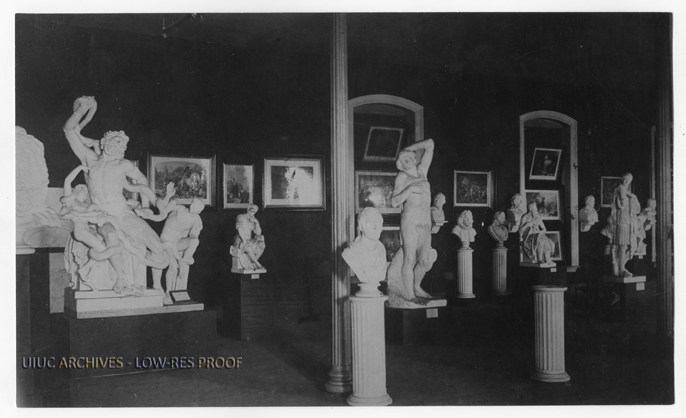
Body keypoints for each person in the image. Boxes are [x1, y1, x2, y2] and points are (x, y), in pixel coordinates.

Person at [63, 96, 169, 294]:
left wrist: (145, 206)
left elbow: (142, 181)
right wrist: (82, 109)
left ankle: (156, 286)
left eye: (124, 145)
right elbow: (69, 130)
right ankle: (121, 279)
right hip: (102, 216)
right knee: (111, 236)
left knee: (157, 245)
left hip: (123, 214)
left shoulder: (124, 165)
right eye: (118, 142)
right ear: (105, 142)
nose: (122, 146)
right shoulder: (89, 159)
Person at [390, 138, 435, 301]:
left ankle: (416, 287)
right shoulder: (402, 177)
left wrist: (408, 148)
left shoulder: (423, 170)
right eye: (403, 159)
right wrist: (409, 190)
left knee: (423, 260)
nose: (407, 160)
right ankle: (410, 295)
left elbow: (430, 144)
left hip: (425, 221)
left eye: (409, 157)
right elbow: (394, 202)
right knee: (409, 258)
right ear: (400, 164)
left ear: (414, 158)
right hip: (410, 220)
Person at [151, 197, 204, 304]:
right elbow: (164, 211)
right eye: (192, 203)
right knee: (173, 266)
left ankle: (184, 261)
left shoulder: (196, 219)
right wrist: (171, 203)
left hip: (176, 242)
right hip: (166, 240)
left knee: (195, 241)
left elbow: (194, 235)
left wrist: (188, 251)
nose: (192, 205)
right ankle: (168, 292)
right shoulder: (181, 209)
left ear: (198, 210)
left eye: (195, 205)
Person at [342, 208, 387, 284]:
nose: (379, 229)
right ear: (361, 226)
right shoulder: (350, 252)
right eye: (373, 225)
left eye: (380, 224)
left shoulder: (382, 249)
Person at [609, 173, 640, 277]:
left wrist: (632, 197)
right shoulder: (620, 189)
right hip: (621, 221)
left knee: (625, 245)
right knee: (622, 245)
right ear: (622, 179)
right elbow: (622, 203)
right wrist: (631, 196)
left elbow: (636, 209)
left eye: (629, 181)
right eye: (626, 179)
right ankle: (621, 268)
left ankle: (621, 267)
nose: (627, 182)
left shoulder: (627, 192)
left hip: (627, 221)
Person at [230, 204, 266, 271]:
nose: (252, 213)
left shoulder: (253, 219)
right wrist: (243, 240)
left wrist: (257, 223)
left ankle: (252, 262)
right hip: (240, 240)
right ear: (248, 210)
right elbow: (239, 228)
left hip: (249, 240)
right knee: (248, 247)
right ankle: (257, 264)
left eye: (254, 212)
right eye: (251, 211)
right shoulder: (241, 217)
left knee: (262, 245)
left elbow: (258, 233)